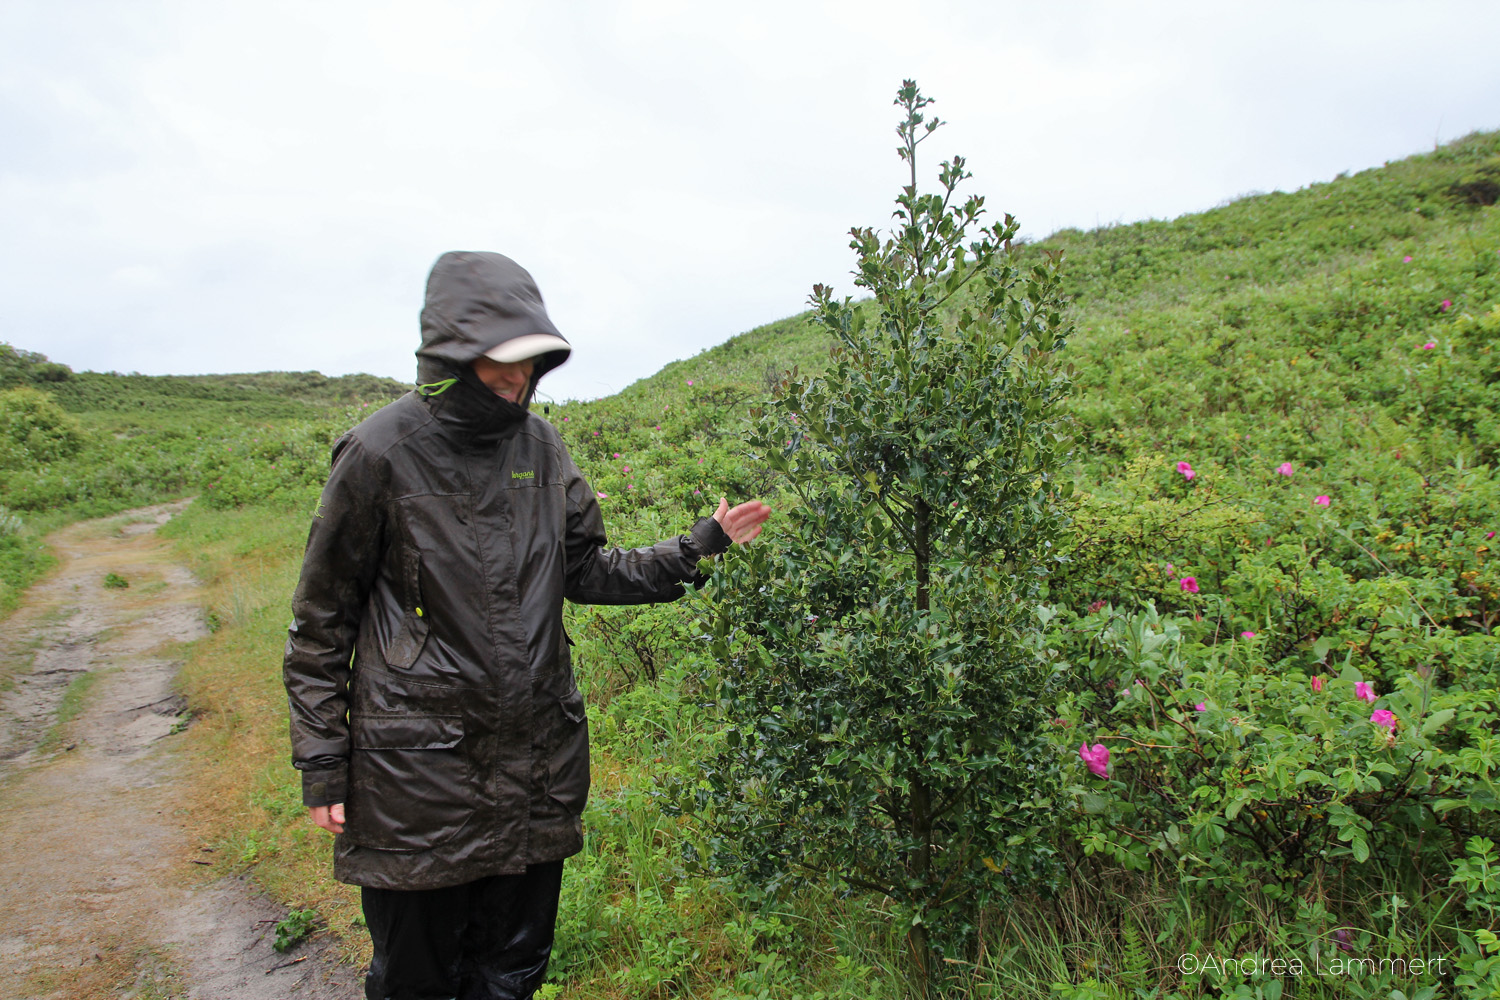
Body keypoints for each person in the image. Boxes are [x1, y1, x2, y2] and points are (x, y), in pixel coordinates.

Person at [282, 250, 771, 1000]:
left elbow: (587, 571)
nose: (517, 380)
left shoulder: (541, 448)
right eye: (500, 364)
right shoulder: (380, 452)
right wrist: (322, 760)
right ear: (453, 352)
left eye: (530, 363)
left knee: (510, 976)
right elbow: (322, 621)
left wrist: (696, 547)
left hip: (536, 761)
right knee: (417, 980)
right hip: (418, 776)